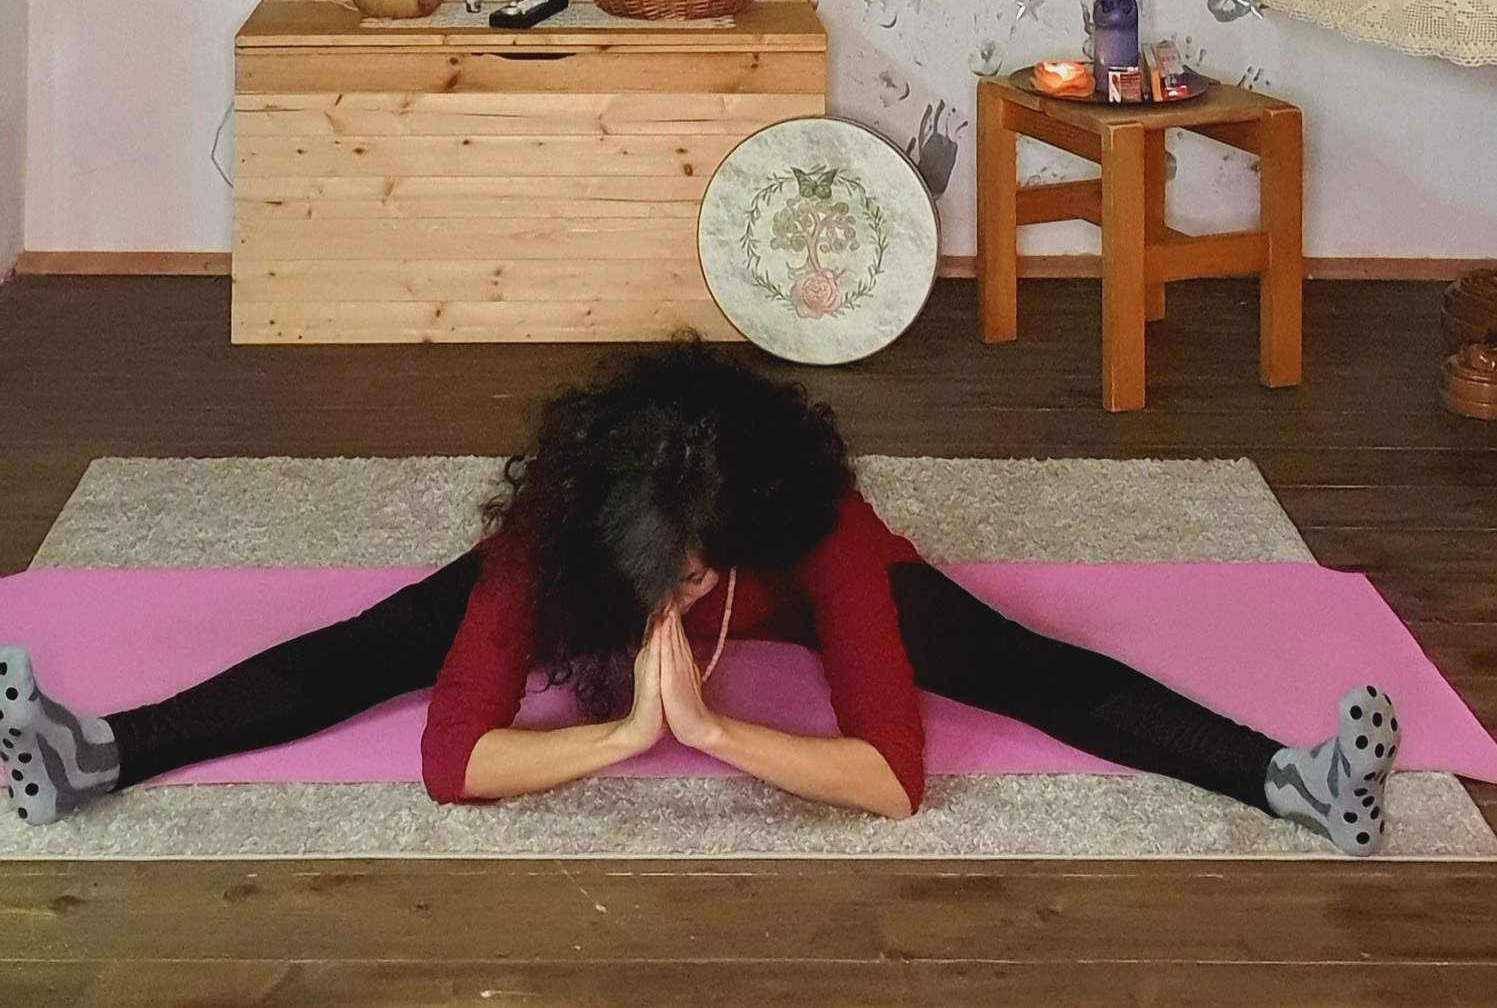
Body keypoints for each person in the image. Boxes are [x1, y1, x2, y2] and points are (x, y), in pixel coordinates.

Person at [0, 340, 1398, 854]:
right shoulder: (551, 537)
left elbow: (894, 782)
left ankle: (1294, 783)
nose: (680, 584)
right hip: (563, 572)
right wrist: (624, 735)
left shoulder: (821, 531)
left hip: (835, 580)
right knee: (385, 640)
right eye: (655, 560)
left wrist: (717, 732)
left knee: (1019, 664)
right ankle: (96, 756)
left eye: (698, 561)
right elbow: (451, 763)